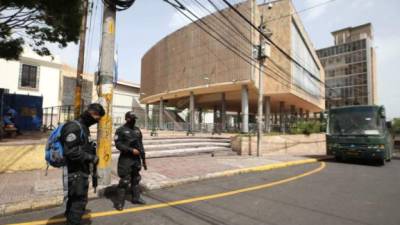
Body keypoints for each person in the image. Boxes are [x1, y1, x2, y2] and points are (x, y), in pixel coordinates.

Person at [61, 103, 105, 225]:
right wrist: (91, 157)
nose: (97, 121)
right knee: (78, 202)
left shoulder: (83, 127)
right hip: (75, 173)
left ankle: (70, 219)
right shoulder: (74, 127)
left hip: (81, 171)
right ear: (92, 113)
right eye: (98, 118)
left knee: (74, 201)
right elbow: (70, 152)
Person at [114, 111, 147, 211]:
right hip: (126, 159)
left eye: (135, 119)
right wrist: (131, 150)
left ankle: (136, 198)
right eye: (132, 119)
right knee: (124, 181)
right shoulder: (120, 130)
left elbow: (141, 145)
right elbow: (118, 145)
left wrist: (143, 159)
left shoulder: (137, 130)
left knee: (136, 179)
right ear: (127, 119)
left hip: (136, 159)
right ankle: (119, 203)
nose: (134, 121)